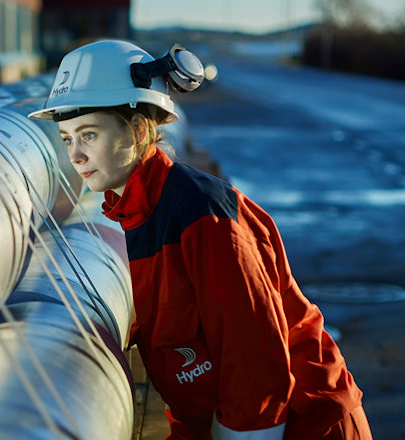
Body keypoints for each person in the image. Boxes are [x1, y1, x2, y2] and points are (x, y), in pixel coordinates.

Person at [28, 40, 371, 439]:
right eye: (68, 138)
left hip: (303, 425)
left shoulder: (201, 216)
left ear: (138, 131)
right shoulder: (138, 214)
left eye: (89, 134)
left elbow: (255, 372)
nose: (76, 156)